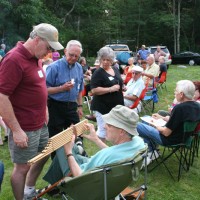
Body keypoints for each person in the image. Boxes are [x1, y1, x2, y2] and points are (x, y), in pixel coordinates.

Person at [0, 23, 64, 200]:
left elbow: (38, 86)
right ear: (37, 40)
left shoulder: (36, 57)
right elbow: (2, 97)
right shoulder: (13, 59)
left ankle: (29, 190)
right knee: (22, 168)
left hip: (40, 123)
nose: (49, 52)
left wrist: (44, 108)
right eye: (48, 47)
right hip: (24, 126)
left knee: (43, 156)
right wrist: (17, 130)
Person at [43, 105, 146, 184]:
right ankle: (54, 186)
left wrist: (69, 153)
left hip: (84, 183)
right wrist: (96, 140)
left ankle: (54, 186)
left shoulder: (107, 155)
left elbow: (80, 177)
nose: (104, 126)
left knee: (62, 145)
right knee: (73, 149)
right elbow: (116, 152)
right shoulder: (138, 143)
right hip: (104, 179)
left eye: (109, 125)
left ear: (122, 131)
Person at [137, 80, 200, 165]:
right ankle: (153, 150)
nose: (174, 92)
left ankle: (151, 151)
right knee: (145, 118)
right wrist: (162, 118)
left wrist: (154, 125)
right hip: (184, 138)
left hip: (169, 140)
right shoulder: (197, 106)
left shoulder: (179, 108)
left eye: (176, 91)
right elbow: (179, 122)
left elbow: (166, 133)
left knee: (138, 125)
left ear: (181, 94)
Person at [46, 40, 84, 158]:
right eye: (71, 54)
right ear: (65, 51)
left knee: (77, 133)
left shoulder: (78, 68)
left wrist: (80, 106)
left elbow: (79, 89)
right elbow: (44, 90)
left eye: (76, 56)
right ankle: (57, 167)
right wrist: (62, 88)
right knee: (56, 138)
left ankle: (76, 161)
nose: (73, 58)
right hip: (55, 106)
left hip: (71, 106)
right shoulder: (53, 67)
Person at [90, 46, 124, 142]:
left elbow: (118, 80)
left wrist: (122, 86)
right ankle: (101, 154)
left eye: (108, 60)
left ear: (112, 60)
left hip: (115, 106)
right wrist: (110, 89)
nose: (105, 62)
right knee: (103, 131)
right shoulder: (98, 73)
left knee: (116, 130)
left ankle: (113, 152)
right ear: (100, 59)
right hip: (102, 107)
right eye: (103, 59)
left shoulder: (115, 69)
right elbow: (94, 90)